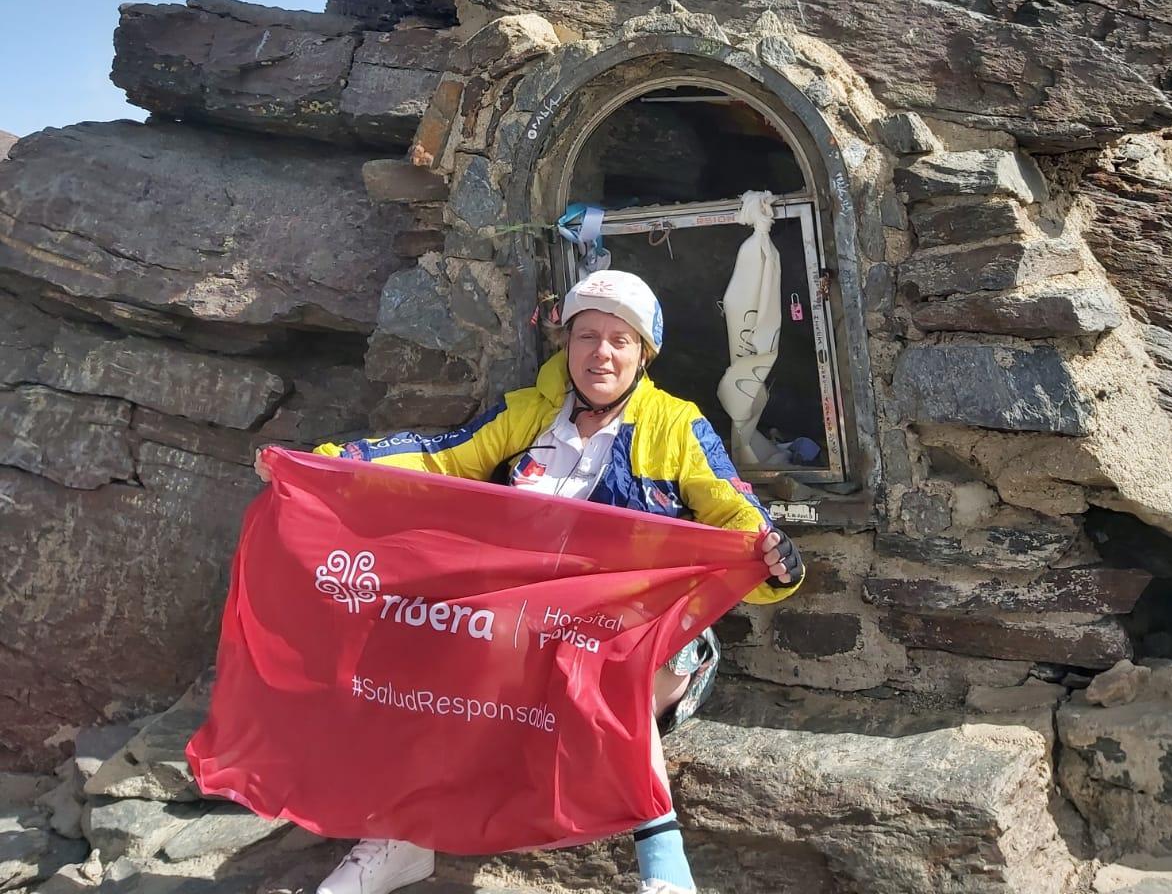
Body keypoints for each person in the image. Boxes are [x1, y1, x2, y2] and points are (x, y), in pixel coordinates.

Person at [257, 268, 805, 894]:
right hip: (527, 632)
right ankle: (400, 839)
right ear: (566, 346)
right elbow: (439, 456)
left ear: (643, 354)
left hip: (645, 640)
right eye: (587, 335)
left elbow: (743, 521)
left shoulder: (677, 427)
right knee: (427, 649)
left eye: (619, 339)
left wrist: (777, 561)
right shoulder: (528, 412)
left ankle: (664, 868)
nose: (600, 352)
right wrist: (322, 465)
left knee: (594, 665)